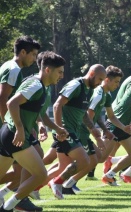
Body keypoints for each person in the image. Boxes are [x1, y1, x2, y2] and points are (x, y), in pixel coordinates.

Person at [0, 52, 68, 211]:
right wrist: (20, 129)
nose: (62, 76)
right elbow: (12, 103)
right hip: (13, 135)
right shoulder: (36, 85)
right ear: (48, 70)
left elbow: (39, 112)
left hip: (6, 133)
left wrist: (57, 128)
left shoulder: (39, 85)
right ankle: (9, 206)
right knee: (40, 174)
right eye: (60, 72)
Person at [64, 66, 131, 187]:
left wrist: (122, 128)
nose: (117, 85)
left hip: (84, 131)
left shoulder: (106, 96)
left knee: (96, 159)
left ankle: (66, 183)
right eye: (116, 82)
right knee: (89, 160)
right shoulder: (97, 94)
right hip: (80, 131)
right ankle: (63, 183)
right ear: (107, 80)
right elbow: (88, 115)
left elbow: (110, 116)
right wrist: (97, 137)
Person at [47, 64, 107, 199]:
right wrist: (59, 129)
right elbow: (57, 105)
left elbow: (84, 113)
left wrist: (93, 128)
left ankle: (32, 188)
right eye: (99, 79)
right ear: (91, 74)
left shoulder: (89, 90)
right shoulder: (76, 85)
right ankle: (57, 182)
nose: (100, 83)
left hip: (72, 131)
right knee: (85, 161)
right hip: (65, 131)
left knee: (62, 166)